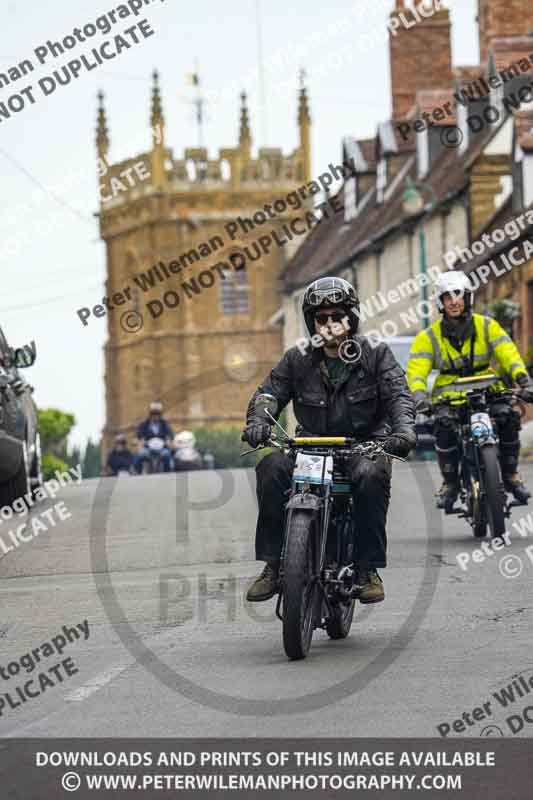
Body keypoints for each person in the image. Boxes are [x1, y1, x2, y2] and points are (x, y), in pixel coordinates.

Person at [242, 276, 417, 604]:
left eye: (338, 316)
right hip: (311, 444)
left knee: (371, 475)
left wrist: (404, 430)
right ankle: (273, 565)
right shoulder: (297, 358)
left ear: (351, 317)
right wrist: (258, 422)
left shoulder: (376, 355)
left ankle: (367, 569)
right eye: (322, 318)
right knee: (270, 466)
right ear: (313, 323)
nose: (331, 324)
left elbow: (399, 395)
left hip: (363, 444)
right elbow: (269, 393)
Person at [407, 270, 533, 511]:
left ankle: (511, 475)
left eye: (458, 295)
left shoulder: (488, 326)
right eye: (447, 296)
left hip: (488, 390)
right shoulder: (428, 337)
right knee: (443, 425)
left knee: (508, 416)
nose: (454, 301)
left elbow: (509, 354)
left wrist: (523, 379)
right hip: (449, 396)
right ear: (440, 302)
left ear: (467, 298)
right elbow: (416, 371)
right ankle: (451, 483)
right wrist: (419, 395)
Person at [134, 402, 174, 473]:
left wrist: (168, 440)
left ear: (160, 415)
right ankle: (137, 472)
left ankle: (168, 473)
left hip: (162, 448)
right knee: (140, 454)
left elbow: (170, 433)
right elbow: (139, 434)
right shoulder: (144, 424)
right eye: (153, 414)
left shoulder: (164, 424)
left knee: (167, 455)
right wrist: (140, 441)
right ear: (150, 414)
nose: (155, 416)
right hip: (147, 448)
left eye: (157, 414)